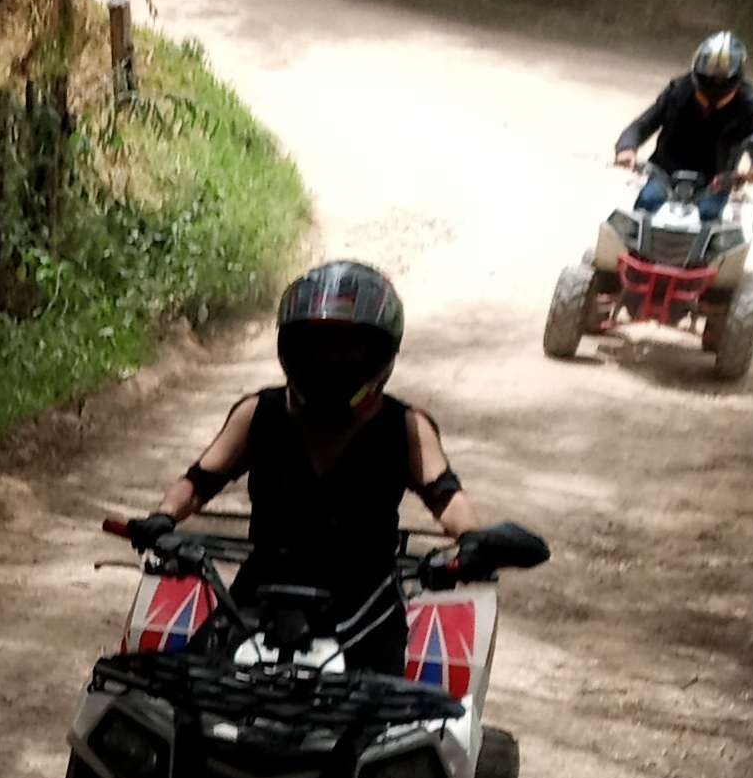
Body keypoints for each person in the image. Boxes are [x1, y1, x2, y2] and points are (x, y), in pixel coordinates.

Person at [127, 260, 488, 677]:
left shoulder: (406, 427)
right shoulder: (258, 413)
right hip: (259, 600)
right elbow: (197, 482)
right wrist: (163, 517)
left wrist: (475, 540)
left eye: (349, 348)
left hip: (366, 614)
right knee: (173, 692)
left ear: (379, 352)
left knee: (402, 713)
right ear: (293, 348)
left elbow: (446, 495)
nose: (332, 360)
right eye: (318, 345)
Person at [615, 31, 753, 219]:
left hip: (717, 180)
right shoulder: (678, 91)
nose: (714, 81)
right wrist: (627, 148)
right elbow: (644, 123)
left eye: (721, 78)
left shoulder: (747, 102)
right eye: (709, 75)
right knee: (647, 204)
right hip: (666, 173)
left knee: (710, 215)